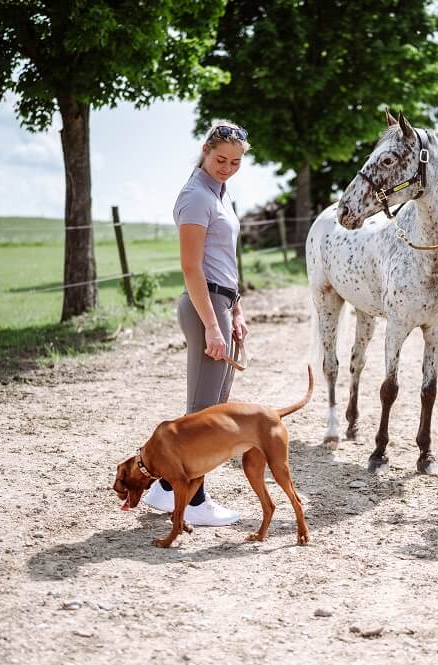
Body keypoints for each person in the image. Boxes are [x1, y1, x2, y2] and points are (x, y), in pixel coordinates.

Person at [142, 120, 251, 526]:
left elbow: (225, 261)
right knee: (204, 414)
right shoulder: (195, 197)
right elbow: (191, 268)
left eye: (235, 162)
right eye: (220, 159)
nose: (227, 167)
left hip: (222, 302)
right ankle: (195, 500)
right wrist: (212, 325)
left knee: (212, 408)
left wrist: (236, 310)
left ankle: (165, 490)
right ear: (205, 150)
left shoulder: (220, 195)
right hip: (204, 304)